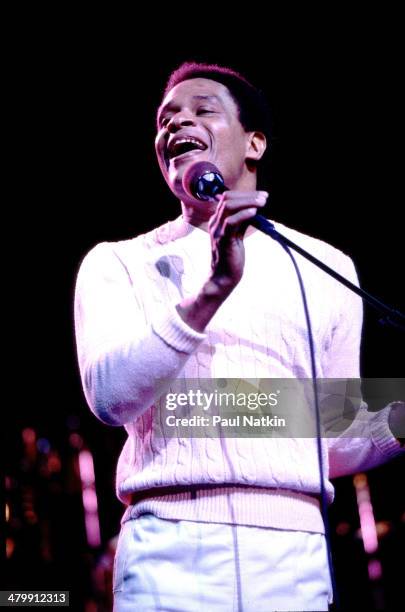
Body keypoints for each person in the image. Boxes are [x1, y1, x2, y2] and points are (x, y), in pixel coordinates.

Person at [74, 62, 404, 611]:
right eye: (166, 118)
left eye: (202, 110)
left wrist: (399, 415)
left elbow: (330, 432)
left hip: (295, 555)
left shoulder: (324, 265)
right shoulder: (120, 262)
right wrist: (214, 289)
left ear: (255, 143)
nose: (177, 123)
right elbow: (109, 397)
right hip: (170, 551)